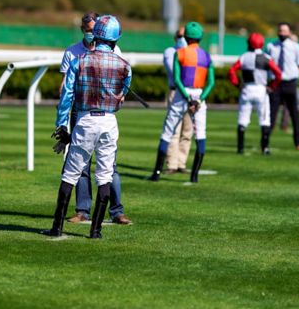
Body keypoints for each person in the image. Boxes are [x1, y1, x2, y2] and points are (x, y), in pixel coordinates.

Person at [45, 15, 131, 239]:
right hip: (109, 121)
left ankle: (57, 228)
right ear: (114, 39)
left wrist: (62, 125)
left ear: (96, 35)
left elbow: (67, 96)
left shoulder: (79, 60)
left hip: (84, 119)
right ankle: (96, 231)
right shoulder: (125, 65)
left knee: (71, 173)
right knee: (105, 174)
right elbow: (122, 96)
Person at [148, 21, 215, 183]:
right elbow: (211, 82)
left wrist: (186, 97)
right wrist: (198, 99)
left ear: (185, 37)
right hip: (199, 95)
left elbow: (177, 79)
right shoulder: (206, 56)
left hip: (181, 94)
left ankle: (156, 173)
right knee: (200, 134)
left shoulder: (180, 53)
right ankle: (194, 176)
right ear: (200, 37)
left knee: (168, 132)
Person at [228, 32, 282, 155]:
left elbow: (232, 71)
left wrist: (237, 84)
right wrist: (272, 86)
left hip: (247, 89)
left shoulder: (244, 56)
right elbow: (278, 73)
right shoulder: (266, 58)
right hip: (261, 90)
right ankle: (265, 148)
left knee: (243, 119)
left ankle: (240, 149)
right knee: (264, 119)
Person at [160, 26, 193, 175]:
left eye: (184, 36)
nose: (182, 39)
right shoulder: (170, 51)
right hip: (175, 92)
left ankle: (181, 162)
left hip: (191, 93)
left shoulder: (191, 52)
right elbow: (175, 71)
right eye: (180, 36)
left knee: (188, 130)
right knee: (174, 129)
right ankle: (171, 164)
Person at [266, 22, 299, 150]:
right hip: (276, 83)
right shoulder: (271, 46)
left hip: (290, 82)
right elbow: (268, 64)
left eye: (285, 31)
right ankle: (265, 143)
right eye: (280, 31)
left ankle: (298, 142)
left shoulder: (296, 47)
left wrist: (294, 77)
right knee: (271, 114)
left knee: (294, 114)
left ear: (289, 32)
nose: (282, 33)